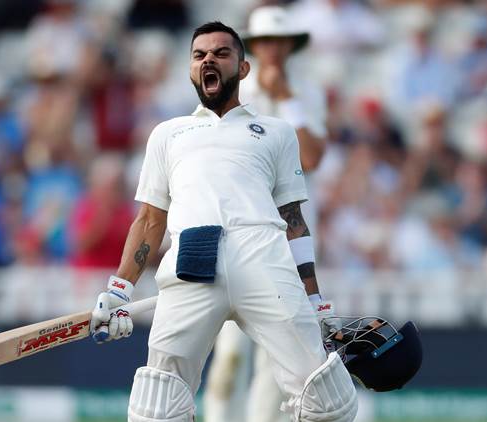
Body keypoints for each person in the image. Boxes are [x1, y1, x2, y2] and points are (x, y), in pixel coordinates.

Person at [88, 21, 357, 422]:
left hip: (263, 257)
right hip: (192, 259)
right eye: (199, 55)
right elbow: (149, 219)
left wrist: (314, 297)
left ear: (243, 68)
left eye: (221, 53)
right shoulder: (168, 134)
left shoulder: (277, 132)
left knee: (328, 401)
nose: (209, 59)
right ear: (190, 70)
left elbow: (293, 220)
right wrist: (119, 290)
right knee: (156, 409)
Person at [204, 7, 332, 422]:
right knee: (230, 352)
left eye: (279, 41)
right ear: (254, 48)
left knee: (277, 357)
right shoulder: (232, 90)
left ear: (289, 46)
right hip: (237, 231)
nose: (272, 50)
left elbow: (311, 158)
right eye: (265, 42)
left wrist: (288, 98)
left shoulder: (306, 91)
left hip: (288, 231)